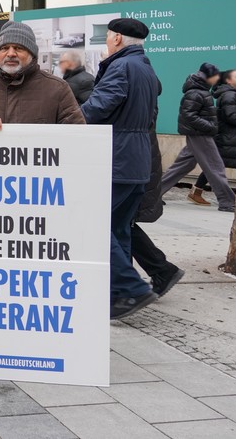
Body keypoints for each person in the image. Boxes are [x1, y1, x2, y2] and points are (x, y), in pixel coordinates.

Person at [81, 18, 159, 320]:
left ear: (115, 39)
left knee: (95, 225)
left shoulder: (121, 68)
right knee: (118, 228)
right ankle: (117, 295)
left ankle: (131, 288)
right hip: (138, 160)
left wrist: (66, 121)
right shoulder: (146, 69)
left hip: (116, 158)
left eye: (108, 38)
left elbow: (97, 107)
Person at [0, 21, 84, 127]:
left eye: (18, 48)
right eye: (4, 48)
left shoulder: (57, 89)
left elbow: (78, 134)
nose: (10, 54)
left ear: (32, 54)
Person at [132, 82, 185, 297]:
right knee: (121, 225)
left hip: (133, 163)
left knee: (119, 224)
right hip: (138, 162)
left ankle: (133, 283)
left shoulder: (135, 90)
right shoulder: (145, 91)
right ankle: (159, 271)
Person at [160, 63, 236, 212]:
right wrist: (209, 126)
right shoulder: (196, 93)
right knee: (215, 167)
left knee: (182, 166)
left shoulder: (199, 91)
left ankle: (152, 195)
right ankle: (228, 202)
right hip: (200, 135)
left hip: (198, 134)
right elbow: (188, 115)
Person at [187, 69, 236, 206]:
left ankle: (197, 191)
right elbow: (231, 117)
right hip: (228, 137)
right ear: (228, 81)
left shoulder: (230, 94)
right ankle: (235, 198)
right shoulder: (230, 95)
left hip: (229, 137)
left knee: (215, 165)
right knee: (219, 166)